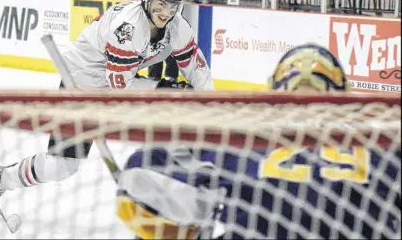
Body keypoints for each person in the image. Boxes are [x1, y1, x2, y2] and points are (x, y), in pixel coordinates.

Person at [0, 0, 213, 217]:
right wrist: (164, 90)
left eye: (173, 5)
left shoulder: (177, 26)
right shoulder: (128, 29)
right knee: (61, 167)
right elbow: (120, 88)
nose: (166, 11)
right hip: (79, 85)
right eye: (161, 3)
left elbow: (197, 70)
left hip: (111, 89)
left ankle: (175, 197)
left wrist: (212, 107)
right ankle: (2, 178)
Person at [115, 43, 400, 239]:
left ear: (274, 93)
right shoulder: (382, 152)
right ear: (344, 97)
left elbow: (139, 181)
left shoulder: (242, 144)